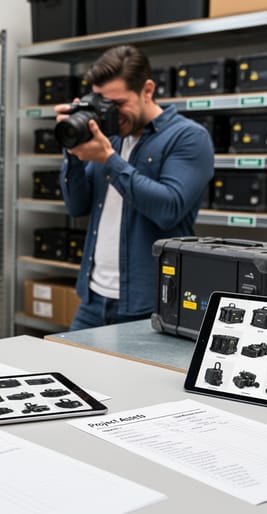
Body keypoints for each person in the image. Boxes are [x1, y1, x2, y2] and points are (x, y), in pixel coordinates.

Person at [55, 45, 214, 330]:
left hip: (150, 305)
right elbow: (76, 207)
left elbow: (169, 208)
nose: (111, 114)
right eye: (101, 103)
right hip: (92, 299)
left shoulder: (189, 137)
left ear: (147, 90)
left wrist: (108, 159)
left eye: (117, 103)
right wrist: (73, 153)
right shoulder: (110, 138)